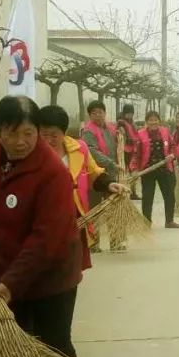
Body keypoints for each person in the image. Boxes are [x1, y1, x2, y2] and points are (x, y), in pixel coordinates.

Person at [0, 96, 83, 357]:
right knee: (5, 349)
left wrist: (11, 283)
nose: (20, 142)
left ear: (38, 132)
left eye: (28, 133)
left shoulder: (53, 173)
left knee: (54, 348)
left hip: (50, 277)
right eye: (11, 133)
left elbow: (45, 239)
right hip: (4, 273)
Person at [37, 105, 128, 268]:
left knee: (72, 268)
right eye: (43, 135)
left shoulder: (79, 149)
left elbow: (94, 173)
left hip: (75, 219)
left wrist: (109, 184)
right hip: (43, 223)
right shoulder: (32, 154)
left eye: (54, 135)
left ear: (63, 133)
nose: (48, 140)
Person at [132, 110, 179, 229]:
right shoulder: (140, 134)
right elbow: (136, 153)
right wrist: (134, 168)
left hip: (165, 169)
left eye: (155, 119)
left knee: (169, 195)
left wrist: (173, 155)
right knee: (147, 196)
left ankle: (169, 221)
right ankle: (146, 222)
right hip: (148, 170)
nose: (153, 122)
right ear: (146, 122)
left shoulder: (165, 132)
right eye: (150, 120)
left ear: (159, 121)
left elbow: (173, 146)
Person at [81, 100, 118, 251]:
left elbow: (118, 146)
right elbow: (91, 151)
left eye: (100, 112)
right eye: (93, 113)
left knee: (114, 207)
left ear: (105, 113)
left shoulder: (110, 129)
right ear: (90, 115)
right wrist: (110, 162)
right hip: (95, 175)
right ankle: (93, 243)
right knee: (95, 209)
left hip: (111, 173)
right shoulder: (88, 131)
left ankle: (116, 241)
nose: (97, 115)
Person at [117, 104, 141, 200]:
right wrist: (135, 140)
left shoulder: (132, 123)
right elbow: (123, 138)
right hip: (125, 150)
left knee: (133, 171)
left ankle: (133, 192)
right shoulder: (121, 123)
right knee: (125, 172)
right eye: (128, 113)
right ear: (124, 113)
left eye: (131, 113)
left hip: (133, 150)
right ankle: (124, 191)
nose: (130, 115)